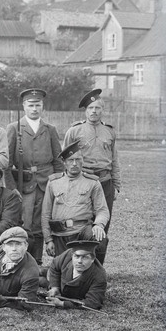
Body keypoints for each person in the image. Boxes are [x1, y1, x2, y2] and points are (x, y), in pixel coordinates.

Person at [4, 88, 63, 265]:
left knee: (41, 224)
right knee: (25, 223)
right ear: (24, 106)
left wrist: (58, 185)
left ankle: (37, 262)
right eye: (31, 105)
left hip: (47, 183)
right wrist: (12, 189)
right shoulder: (14, 128)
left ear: (42, 106)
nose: (35, 109)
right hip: (24, 183)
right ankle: (23, 262)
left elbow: (58, 160)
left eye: (38, 105)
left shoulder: (50, 129)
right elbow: (6, 164)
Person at [61, 89, 120, 264]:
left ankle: (97, 265)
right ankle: (75, 263)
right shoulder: (75, 131)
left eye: (97, 108)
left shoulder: (109, 131)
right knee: (81, 223)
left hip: (104, 181)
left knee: (103, 224)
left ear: (102, 110)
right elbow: (65, 158)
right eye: (90, 108)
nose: (94, 111)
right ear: (85, 111)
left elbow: (114, 159)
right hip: (83, 181)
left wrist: (116, 184)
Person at [42, 140, 110, 260]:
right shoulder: (53, 182)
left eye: (78, 159)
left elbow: (102, 210)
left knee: (101, 239)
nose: (74, 163)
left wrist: (98, 225)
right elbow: (45, 214)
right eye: (70, 160)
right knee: (65, 271)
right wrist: (48, 240)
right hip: (60, 234)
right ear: (64, 162)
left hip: (82, 231)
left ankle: (96, 271)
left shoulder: (92, 182)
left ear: (83, 160)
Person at [0, 226, 40, 309]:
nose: (14, 249)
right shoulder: (0, 251)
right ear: (4, 247)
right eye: (10, 244)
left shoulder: (31, 271)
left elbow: (25, 304)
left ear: (26, 246)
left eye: (18, 244)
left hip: (8, 297)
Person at [45, 240, 107, 311]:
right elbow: (54, 265)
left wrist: (62, 303)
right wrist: (55, 287)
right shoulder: (67, 255)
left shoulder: (99, 275)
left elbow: (93, 303)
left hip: (67, 290)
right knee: (37, 274)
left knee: (40, 279)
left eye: (85, 257)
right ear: (72, 256)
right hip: (58, 279)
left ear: (92, 259)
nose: (79, 261)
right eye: (77, 256)